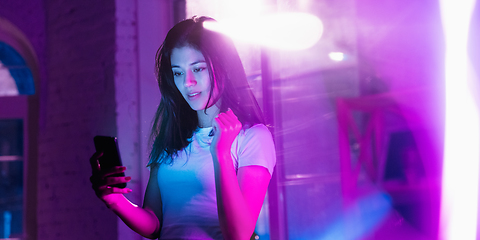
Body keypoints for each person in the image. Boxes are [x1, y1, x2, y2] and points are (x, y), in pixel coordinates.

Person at [89, 16, 276, 240]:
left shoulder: (253, 136)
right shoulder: (172, 137)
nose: (187, 82)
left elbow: (239, 235)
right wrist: (116, 201)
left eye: (198, 69)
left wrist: (222, 154)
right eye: (178, 73)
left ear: (223, 67)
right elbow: (155, 224)